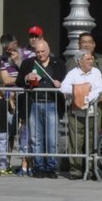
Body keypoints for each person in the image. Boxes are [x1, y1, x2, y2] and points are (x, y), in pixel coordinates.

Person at [19, 31, 65, 178]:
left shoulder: (58, 63)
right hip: (34, 104)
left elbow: (66, 81)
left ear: (48, 50)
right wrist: (26, 77)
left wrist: (61, 83)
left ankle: (51, 168)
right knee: (36, 139)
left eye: (43, 51)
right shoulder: (28, 63)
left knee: (52, 139)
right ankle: (38, 167)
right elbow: (19, 81)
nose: (40, 54)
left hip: (51, 104)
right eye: (37, 52)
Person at [58, 50, 102, 179]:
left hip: (93, 111)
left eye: (92, 58)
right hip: (76, 112)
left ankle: (90, 168)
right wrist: (80, 89)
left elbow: (100, 87)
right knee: (76, 142)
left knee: (92, 140)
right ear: (80, 61)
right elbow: (63, 87)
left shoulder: (96, 72)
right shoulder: (73, 73)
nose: (91, 61)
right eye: (88, 59)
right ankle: (76, 170)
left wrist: (87, 96)